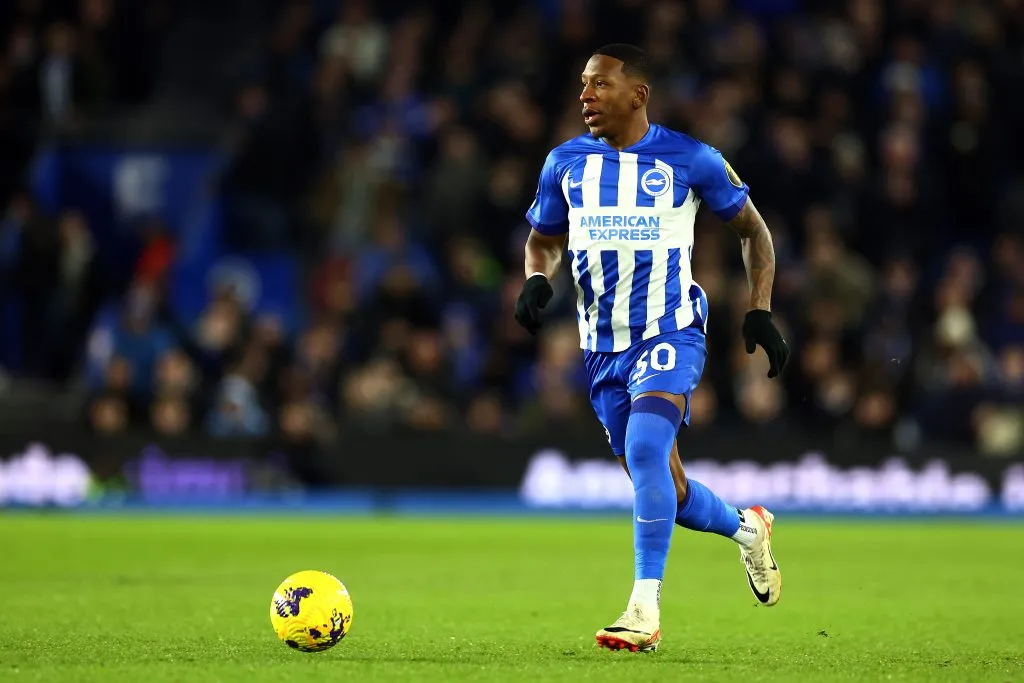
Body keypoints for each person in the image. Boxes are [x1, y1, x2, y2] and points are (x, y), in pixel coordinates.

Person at [514, 44, 790, 652]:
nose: (586, 95)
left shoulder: (692, 159)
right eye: (583, 85)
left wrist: (761, 310)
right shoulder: (564, 164)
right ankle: (749, 528)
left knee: (645, 447)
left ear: (638, 94)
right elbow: (543, 239)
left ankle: (643, 609)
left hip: (671, 330)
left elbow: (754, 232)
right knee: (663, 484)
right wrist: (538, 276)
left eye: (600, 85)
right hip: (600, 349)